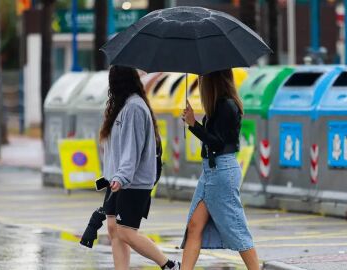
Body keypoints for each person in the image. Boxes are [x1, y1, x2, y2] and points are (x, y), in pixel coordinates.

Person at [100, 65, 180, 270]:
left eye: (113, 78)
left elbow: (131, 148)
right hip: (117, 178)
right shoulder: (120, 106)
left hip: (132, 180)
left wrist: (121, 176)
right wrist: (110, 176)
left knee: (126, 231)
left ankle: (170, 265)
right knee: (113, 229)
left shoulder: (135, 107)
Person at [181, 69, 260, 270]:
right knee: (194, 227)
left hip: (222, 171)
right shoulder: (217, 106)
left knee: (236, 228)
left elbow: (218, 143)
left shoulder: (227, 106)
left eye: (202, 78)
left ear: (212, 80)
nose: (199, 82)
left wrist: (193, 125)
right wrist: (195, 123)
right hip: (210, 172)